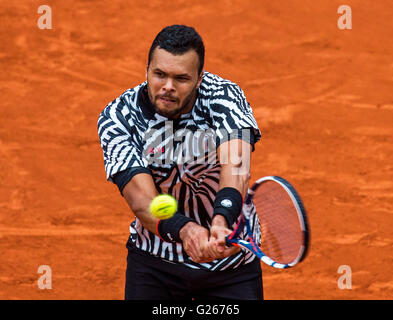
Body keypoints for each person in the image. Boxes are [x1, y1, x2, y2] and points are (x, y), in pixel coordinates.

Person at [97, 24, 262, 300]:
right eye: (159, 74)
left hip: (230, 266)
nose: (168, 87)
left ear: (199, 79)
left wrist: (222, 219)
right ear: (146, 70)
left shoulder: (225, 97)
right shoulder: (119, 117)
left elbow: (236, 168)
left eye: (181, 78)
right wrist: (186, 231)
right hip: (155, 265)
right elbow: (141, 200)